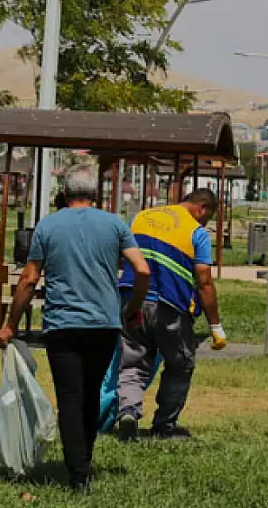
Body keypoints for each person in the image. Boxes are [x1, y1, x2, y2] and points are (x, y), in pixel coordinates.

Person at [0, 165, 150, 492]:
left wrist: (10, 325)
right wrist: (131, 310)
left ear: (64, 194)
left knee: (69, 396)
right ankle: (85, 460)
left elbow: (29, 278)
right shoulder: (115, 224)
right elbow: (142, 269)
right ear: (96, 194)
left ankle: (78, 473)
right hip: (104, 324)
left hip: (62, 325)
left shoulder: (49, 226)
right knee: (91, 393)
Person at [115, 188, 226, 441]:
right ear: (202, 208)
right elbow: (204, 281)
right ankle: (164, 426)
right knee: (180, 365)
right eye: (209, 216)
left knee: (133, 362)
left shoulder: (141, 217)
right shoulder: (196, 232)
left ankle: (128, 411)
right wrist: (215, 326)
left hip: (134, 300)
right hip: (171, 307)